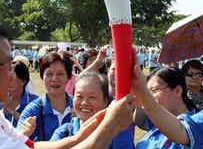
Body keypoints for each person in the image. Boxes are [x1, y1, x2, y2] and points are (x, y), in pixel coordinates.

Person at [0, 26, 135, 148]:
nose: (12, 76)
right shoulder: (46, 118)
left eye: (60, 74)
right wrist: (111, 126)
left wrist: (78, 137)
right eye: (8, 66)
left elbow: (32, 146)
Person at [50, 71, 134, 148]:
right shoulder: (64, 132)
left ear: (105, 102)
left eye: (92, 97)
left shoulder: (118, 131)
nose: (84, 102)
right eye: (79, 96)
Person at [134, 66, 203, 148]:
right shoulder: (160, 118)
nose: (150, 98)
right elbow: (140, 122)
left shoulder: (193, 131)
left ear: (178, 91)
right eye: (148, 92)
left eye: (155, 90)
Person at [17, 52, 74, 141]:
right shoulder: (32, 111)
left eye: (60, 74)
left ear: (68, 78)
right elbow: (17, 141)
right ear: (42, 77)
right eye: (49, 74)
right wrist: (23, 135)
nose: (54, 79)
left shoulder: (77, 106)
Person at [0, 61, 39, 127]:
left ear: (23, 82)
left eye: (11, 79)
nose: (7, 82)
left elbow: (35, 127)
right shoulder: (2, 98)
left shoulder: (34, 101)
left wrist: (13, 112)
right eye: (7, 78)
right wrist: (3, 111)